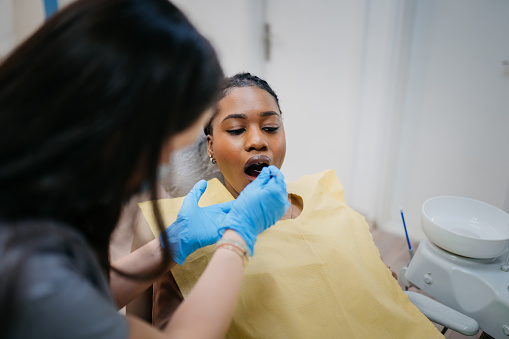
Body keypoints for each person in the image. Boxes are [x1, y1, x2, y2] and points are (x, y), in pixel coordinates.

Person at [0, 1, 289, 338]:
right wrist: (237, 240)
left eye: (270, 127)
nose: (163, 165)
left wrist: (169, 246)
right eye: (165, 148)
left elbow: (84, 297)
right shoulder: (29, 269)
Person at [137, 73, 444, 338]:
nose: (258, 140)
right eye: (236, 129)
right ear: (211, 146)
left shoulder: (323, 197)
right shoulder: (185, 233)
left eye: (271, 127)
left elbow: (379, 285)